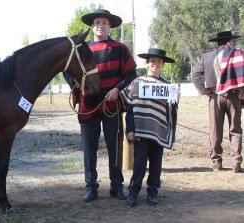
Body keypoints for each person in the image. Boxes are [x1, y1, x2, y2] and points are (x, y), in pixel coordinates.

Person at [66, 9, 137, 202]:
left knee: (114, 148)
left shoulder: (121, 49)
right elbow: (67, 71)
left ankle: (116, 186)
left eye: (104, 22)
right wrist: (75, 84)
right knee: (89, 149)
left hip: (111, 105)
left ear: (110, 26)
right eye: (97, 22)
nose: (100, 25)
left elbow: (131, 75)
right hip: (87, 105)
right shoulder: (82, 49)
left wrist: (117, 89)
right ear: (92, 25)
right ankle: (91, 187)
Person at [121, 48, 178, 207]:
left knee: (156, 164)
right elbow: (129, 108)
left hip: (158, 132)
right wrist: (130, 129)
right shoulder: (136, 83)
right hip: (140, 131)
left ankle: (152, 192)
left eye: (159, 61)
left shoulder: (167, 86)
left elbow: (171, 111)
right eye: (152, 60)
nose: (155, 64)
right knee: (139, 164)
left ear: (163, 65)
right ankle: (133, 192)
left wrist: (175, 100)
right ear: (147, 63)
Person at [192, 31, 242, 173]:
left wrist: (204, 90)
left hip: (214, 96)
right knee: (236, 129)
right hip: (233, 95)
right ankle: (236, 160)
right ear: (230, 41)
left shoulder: (206, 57)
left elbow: (195, 76)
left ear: (217, 42)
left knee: (215, 129)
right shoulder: (238, 54)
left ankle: (216, 161)